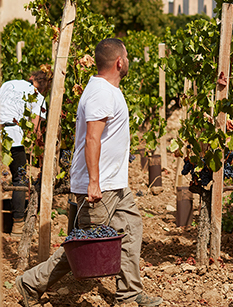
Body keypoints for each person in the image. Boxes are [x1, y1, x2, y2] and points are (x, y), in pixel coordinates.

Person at [16, 39, 162, 307]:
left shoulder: (106, 90)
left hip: (115, 185)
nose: (128, 60)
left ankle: (129, 293)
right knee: (83, 248)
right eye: (127, 56)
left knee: (131, 229)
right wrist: (94, 183)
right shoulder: (101, 93)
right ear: (119, 61)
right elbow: (93, 139)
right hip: (100, 187)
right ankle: (29, 283)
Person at [0, 69, 50, 235]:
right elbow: (35, 129)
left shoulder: (8, 84)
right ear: (44, 86)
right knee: (20, 179)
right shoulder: (38, 97)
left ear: (30, 78)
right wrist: (40, 150)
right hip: (13, 136)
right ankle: (18, 225)